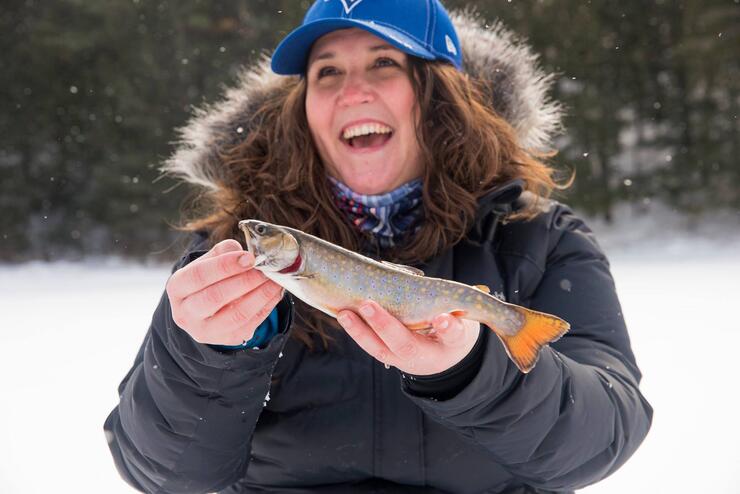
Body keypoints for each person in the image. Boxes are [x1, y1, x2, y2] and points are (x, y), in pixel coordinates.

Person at [104, 1, 652, 493]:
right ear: (304, 111)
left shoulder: (542, 235)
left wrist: (472, 370)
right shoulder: (229, 253)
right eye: (328, 72)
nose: (352, 90)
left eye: (383, 63)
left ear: (438, 95)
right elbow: (165, 476)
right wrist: (205, 355)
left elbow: (602, 438)